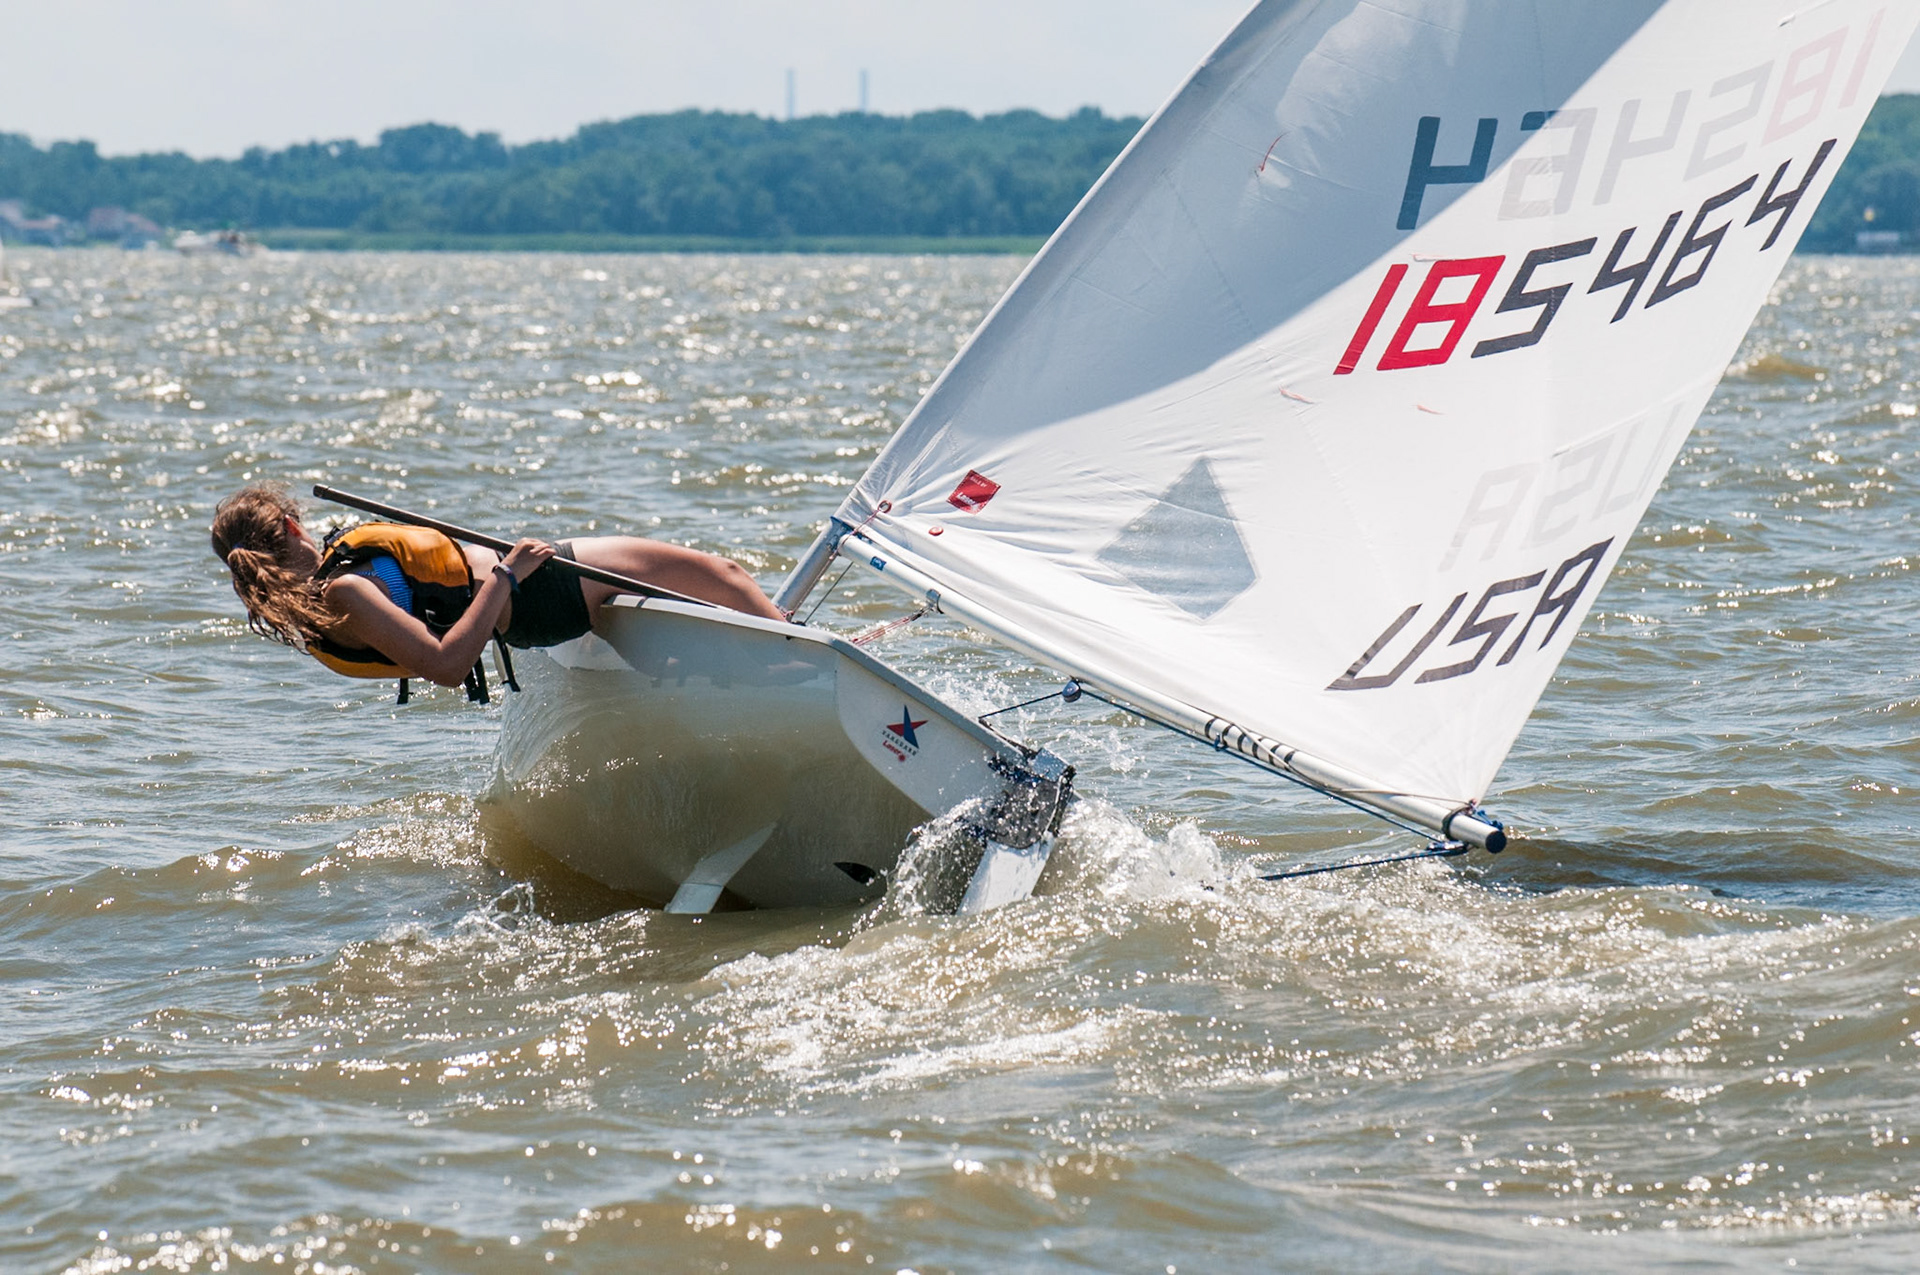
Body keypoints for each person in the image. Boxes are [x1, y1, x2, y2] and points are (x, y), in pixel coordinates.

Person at [210, 482, 784, 700]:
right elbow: (447, 665)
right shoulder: (342, 596)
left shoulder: (326, 591)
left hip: (528, 603)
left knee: (665, 610)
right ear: (291, 527)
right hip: (537, 591)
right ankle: (803, 658)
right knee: (722, 574)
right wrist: (508, 574)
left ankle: (747, 677)